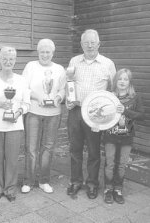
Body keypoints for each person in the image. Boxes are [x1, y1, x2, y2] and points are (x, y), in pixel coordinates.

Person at [66, 29, 116, 199]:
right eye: (86, 42)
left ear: (98, 44)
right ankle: (75, 181)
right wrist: (68, 99)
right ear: (81, 44)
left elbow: (113, 89)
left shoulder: (108, 64)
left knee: (94, 151)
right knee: (75, 149)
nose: (89, 45)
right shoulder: (74, 61)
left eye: (92, 42)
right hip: (75, 111)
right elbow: (69, 83)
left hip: (96, 114)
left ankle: (92, 183)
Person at [0, 46, 30, 202]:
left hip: (14, 125)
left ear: (15, 61)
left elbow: (26, 103)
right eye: (4, 58)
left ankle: (9, 189)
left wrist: (18, 112)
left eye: (11, 59)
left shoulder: (21, 80)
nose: (8, 62)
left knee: (12, 159)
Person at [21, 39, 66, 194]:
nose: (45, 55)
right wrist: (37, 97)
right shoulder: (30, 66)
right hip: (33, 112)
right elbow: (23, 88)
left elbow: (62, 90)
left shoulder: (60, 69)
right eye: (42, 52)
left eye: (48, 52)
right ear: (38, 52)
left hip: (53, 114)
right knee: (31, 148)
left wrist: (58, 98)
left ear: (53, 53)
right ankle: (28, 180)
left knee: (47, 148)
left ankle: (44, 181)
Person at [102, 68, 144, 204]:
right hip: (110, 135)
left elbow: (141, 115)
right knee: (110, 163)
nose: (122, 81)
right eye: (120, 78)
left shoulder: (135, 97)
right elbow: (100, 113)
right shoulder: (109, 96)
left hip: (127, 136)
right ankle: (108, 189)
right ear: (115, 81)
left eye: (125, 79)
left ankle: (118, 189)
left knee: (121, 164)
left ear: (129, 82)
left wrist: (126, 111)